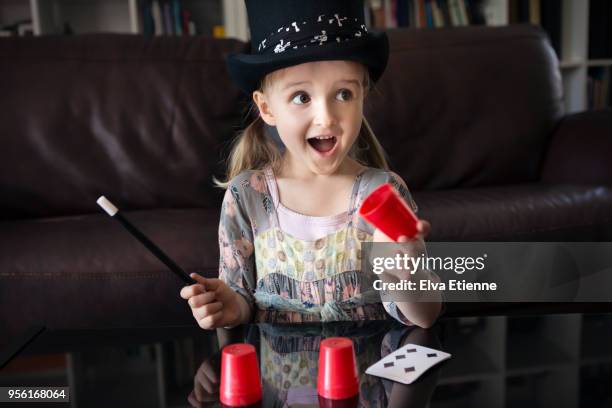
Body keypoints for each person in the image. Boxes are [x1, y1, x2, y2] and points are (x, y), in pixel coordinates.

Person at [180, 0, 443, 330]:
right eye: (302, 97)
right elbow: (241, 299)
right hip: (275, 378)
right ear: (267, 107)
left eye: (344, 94)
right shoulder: (245, 196)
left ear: (363, 96)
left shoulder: (383, 193)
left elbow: (425, 315)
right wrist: (229, 306)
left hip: (365, 377)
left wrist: (408, 274)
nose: (326, 117)